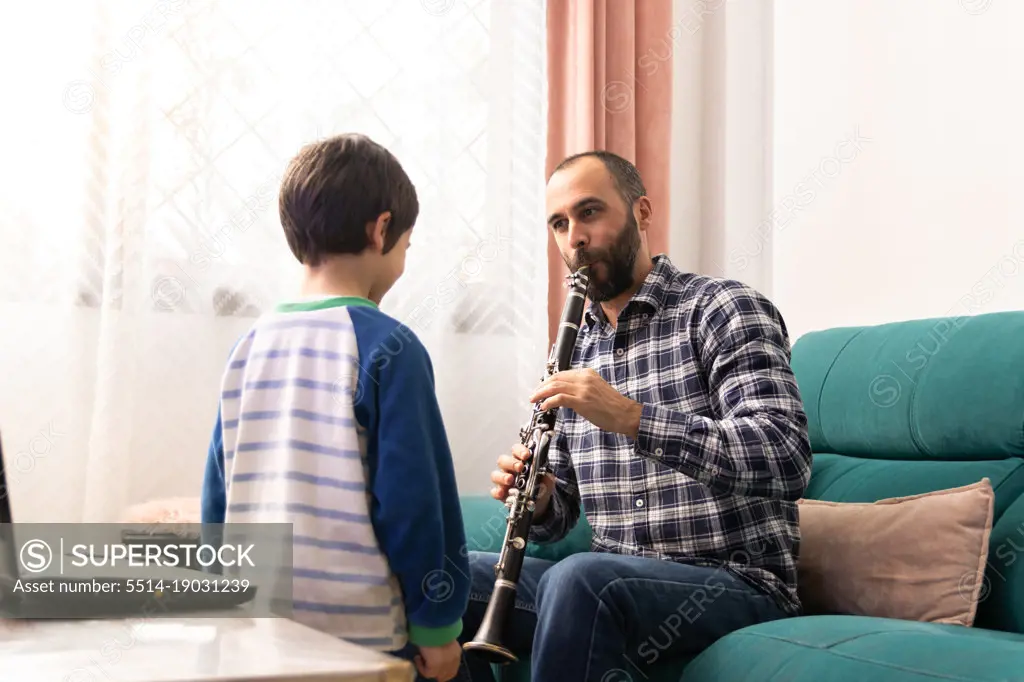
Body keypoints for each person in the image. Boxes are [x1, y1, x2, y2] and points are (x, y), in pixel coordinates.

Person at [457, 151, 813, 681]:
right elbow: (563, 516)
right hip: (609, 585)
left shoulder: (722, 309)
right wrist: (541, 499)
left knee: (581, 580)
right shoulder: (573, 352)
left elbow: (784, 457)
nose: (574, 237)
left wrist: (632, 417)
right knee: (439, 574)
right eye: (559, 223)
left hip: (735, 583)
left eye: (590, 212)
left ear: (641, 212)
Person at [200, 133, 469, 682]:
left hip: (262, 638)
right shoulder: (389, 346)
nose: (401, 265)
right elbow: (415, 501)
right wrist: (437, 629)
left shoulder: (248, 346)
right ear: (382, 229)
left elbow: (218, 492)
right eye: (406, 249)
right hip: (365, 642)